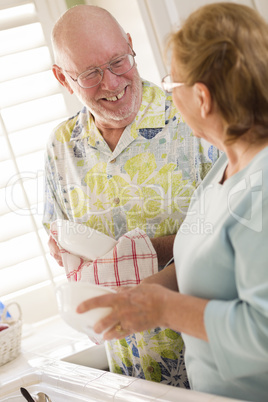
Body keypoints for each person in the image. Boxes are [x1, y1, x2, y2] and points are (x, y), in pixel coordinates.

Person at [76, 3, 268, 401]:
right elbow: (213, 257)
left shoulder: (262, 188)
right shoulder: (227, 169)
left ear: (202, 98)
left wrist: (165, 310)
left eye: (169, 86)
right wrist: (150, 290)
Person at [43, 5, 219, 387]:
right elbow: (63, 242)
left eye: (118, 61)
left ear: (131, 45)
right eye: (89, 74)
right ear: (62, 78)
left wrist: (141, 253)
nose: (110, 83)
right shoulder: (61, 147)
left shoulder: (194, 118)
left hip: (210, 363)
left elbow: (234, 241)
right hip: (128, 372)